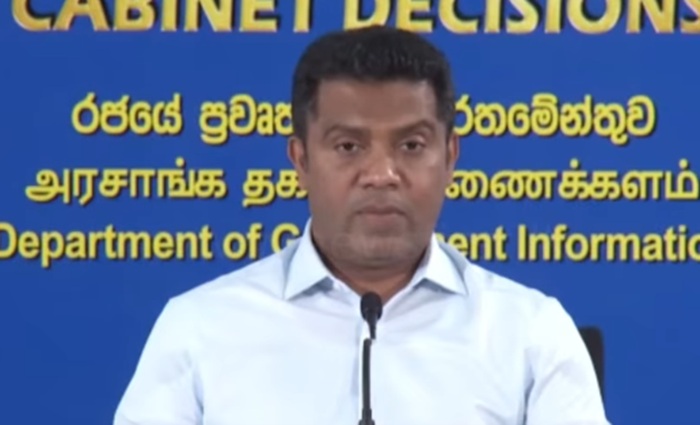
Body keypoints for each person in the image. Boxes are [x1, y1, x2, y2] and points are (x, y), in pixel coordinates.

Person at [113, 26, 611, 425]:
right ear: (301, 160)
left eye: (411, 145)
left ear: (450, 156)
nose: (381, 174)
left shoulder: (530, 333)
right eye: (349, 146)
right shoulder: (199, 328)